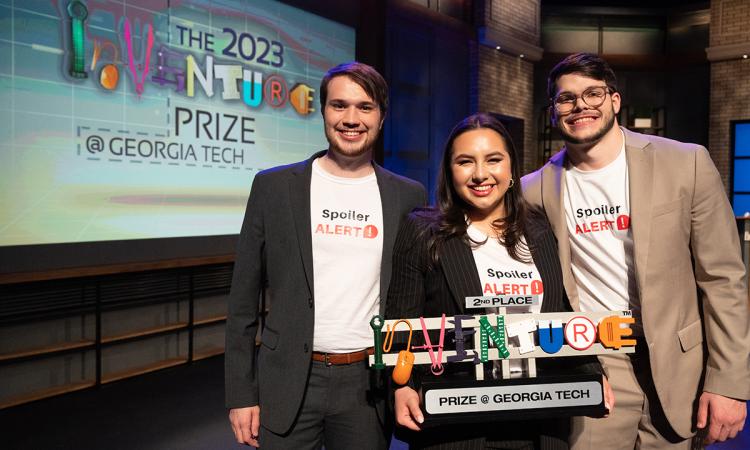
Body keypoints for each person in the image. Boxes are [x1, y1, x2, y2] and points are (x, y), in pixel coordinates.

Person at [522, 52, 750, 449]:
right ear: (553, 112)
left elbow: (724, 278)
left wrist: (728, 382)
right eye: (566, 99)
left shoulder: (686, 162)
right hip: (596, 364)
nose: (580, 106)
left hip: (680, 367)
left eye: (593, 94)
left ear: (614, 100)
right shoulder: (534, 189)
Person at [224, 61, 426, 449]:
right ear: (323, 112)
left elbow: (413, 300)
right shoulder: (274, 187)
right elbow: (242, 302)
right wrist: (241, 394)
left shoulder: (407, 196)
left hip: (368, 383)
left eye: (365, 107)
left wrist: (410, 379)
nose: (351, 118)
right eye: (339, 105)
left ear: (382, 117)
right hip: (287, 379)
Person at [386, 113, 611, 449]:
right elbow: (401, 323)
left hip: (539, 420)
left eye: (493, 160)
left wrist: (593, 371)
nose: (480, 174)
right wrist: (400, 386)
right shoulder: (423, 231)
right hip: (459, 425)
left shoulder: (539, 229)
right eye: (465, 162)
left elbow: (561, 313)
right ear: (450, 171)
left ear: (511, 168)